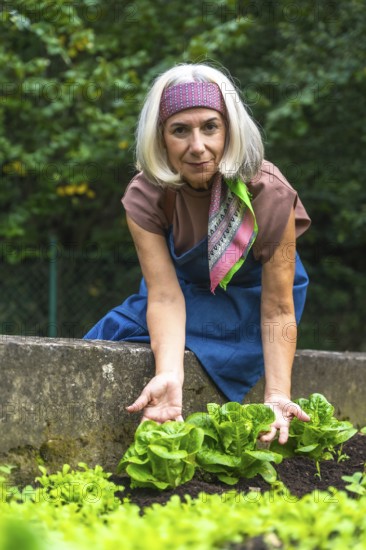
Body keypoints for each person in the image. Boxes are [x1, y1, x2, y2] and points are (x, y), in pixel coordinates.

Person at [84, 63, 312, 444]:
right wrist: (170, 373)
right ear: (161, 138)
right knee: (109, 337)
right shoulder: (146, 194)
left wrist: (276, 396)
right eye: (180, 131)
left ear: (229, 129)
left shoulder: (269, 193)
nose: (197, 147)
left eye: (210, 126)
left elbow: (278, 308)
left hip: (251, 297)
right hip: (183, 291)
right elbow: (163, 295)